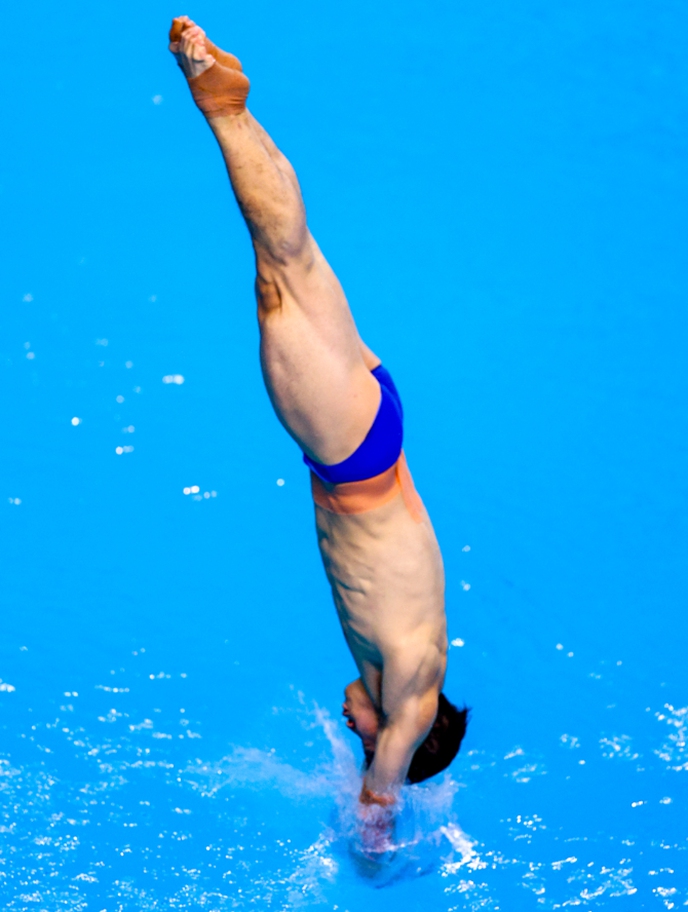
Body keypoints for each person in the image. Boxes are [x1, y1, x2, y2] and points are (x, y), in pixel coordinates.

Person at [168, 16, 468, 815]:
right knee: (275, 277)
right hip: (351, 454)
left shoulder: (403, 664)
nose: (349, 723)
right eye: (363, 736)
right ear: (398, 739)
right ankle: (223, 109)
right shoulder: (411, 691)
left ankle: (232, 107)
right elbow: (382, 795)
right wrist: (378, 820)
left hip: (376, 427)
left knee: (289, 259)